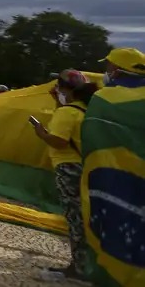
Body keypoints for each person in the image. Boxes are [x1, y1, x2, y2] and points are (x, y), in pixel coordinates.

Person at [80, 47, 145, 287]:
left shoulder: (104, 99)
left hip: (116, 180)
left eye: (108, 67)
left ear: (116, 70)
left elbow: (93, 137)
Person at [31, 69, 96, 282]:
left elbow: (59, 140)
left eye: (59, 87)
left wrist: (41, 133)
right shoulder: (85, 109)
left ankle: (79, 269)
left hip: (68, 168)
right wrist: (58, 103)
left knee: (75, 218)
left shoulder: (66, 112)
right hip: (85, 167)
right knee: (85, 218)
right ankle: (84, 264)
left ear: (65, 88)